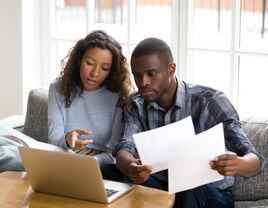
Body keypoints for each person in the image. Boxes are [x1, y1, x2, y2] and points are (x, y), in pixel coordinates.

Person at [113, 37, 265, 208]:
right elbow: (125, 148)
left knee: (188, 188)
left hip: (211, 194)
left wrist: (238, 164)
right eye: (137, 75)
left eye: (151, 74)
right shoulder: (136, 104)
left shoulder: (211, 101)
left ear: (171, 69)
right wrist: (130, 166)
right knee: (116, 176)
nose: (143, 82)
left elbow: (255, 161)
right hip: (163, 188)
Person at [48, 30, 133, 169]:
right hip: (65, 159)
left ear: (112, 70)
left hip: (102, 164)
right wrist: (67, 139)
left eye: (105, 68)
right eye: (89, 63)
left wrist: (90, 162)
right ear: (79, 60)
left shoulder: (119, 95)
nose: (95, 73)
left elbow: (115, 152)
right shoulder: (57, 89)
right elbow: (53, 141)